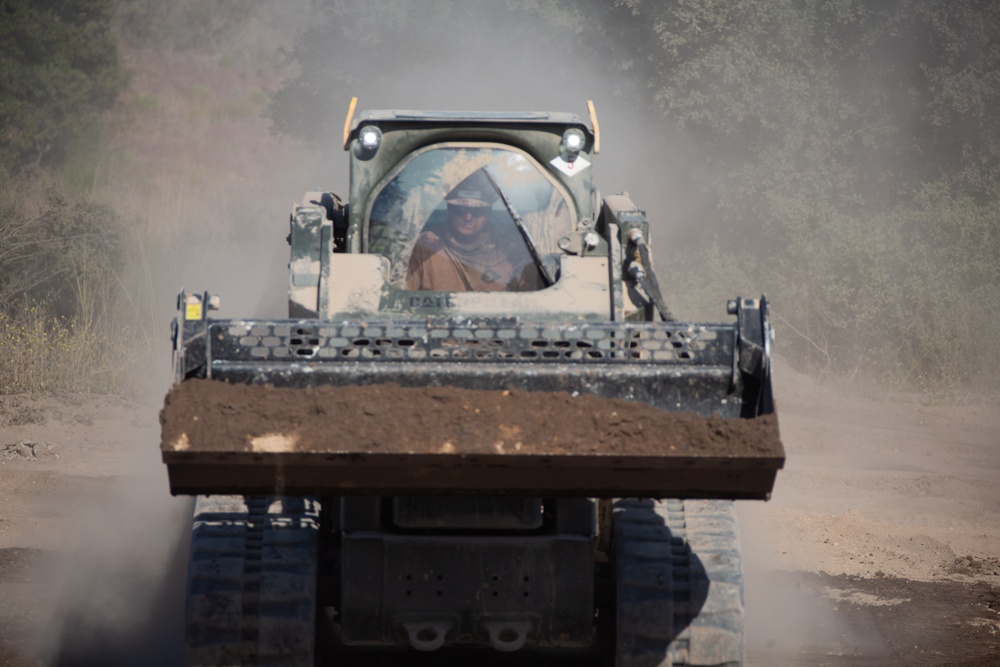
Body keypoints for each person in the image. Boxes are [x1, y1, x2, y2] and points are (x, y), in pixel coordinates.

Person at [406, 170, 540, 292]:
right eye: (461, 210)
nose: (468, 217)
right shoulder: (424, 249)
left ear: (488, 213)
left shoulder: (511, 250)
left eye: (477, 211)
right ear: (449, 209)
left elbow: (531, 302)